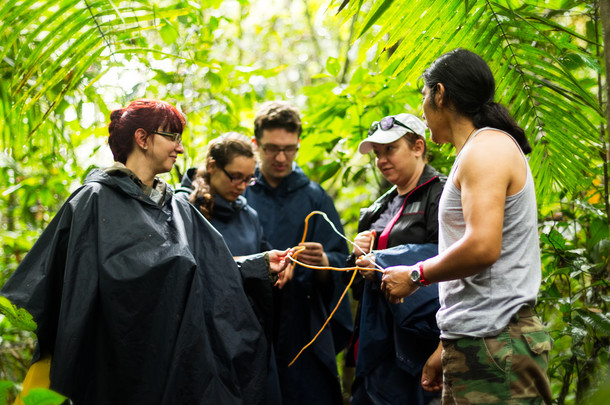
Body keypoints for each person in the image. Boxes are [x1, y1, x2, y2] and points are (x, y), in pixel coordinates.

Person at [0, 99, 289, 404]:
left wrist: (259, 265)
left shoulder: (176, 207)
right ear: (142, 139)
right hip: (115, 366)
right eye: (172, 137)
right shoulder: (93, 201)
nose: (180, 148)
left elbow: (209, 268)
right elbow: (71, 290)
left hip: (172, 363)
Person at [381, 49, 553, 404]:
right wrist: (446, 348)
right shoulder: (477, 150)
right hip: (480, 341)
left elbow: (482, 247)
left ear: (440, 94)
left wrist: (416, 276)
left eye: (424, 97)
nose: (422, 111)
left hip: (497, 344)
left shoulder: (486, 150)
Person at [243, 101, 352, 405]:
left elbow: (341, 260)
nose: (281, 157)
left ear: (298, 144)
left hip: (304, 325)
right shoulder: (241, 191)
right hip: (251, 321)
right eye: (271, 148)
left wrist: (324, 261)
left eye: (289, 149)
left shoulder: (314, 197)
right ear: (255, 144)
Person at [176, 132, 291, 404]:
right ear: (213, 166)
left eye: (249, 179)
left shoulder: (248, 215)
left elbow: (261, 255)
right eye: (235, 176)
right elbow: (192, 271)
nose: (241, 186)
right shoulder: (184, 208)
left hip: (250, 334)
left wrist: (281, 267)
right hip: (206, 337)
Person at [346, 113, 445, 405]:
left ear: (417, 147)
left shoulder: (441, 193)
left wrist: (381, 260)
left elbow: (449, 258)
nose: (381, 160)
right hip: (377, 339)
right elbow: (357, 287)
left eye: (390, 149)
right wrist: (358, 256)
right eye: (377, 154)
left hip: (420, 338)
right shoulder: (377, 209)